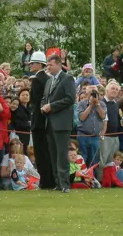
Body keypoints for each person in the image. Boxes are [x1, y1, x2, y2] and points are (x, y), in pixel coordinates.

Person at [40, 55, 76, 193]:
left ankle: (65, 184)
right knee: (53, 154)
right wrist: (43, 106)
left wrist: (52, 106)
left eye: (50, 65)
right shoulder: (49, 81)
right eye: (47, 65)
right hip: (49, 122)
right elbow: (45, 98)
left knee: (62, 154)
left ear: (59, 65)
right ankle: (58, 183)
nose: (48, 67)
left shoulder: (67, 79)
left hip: (62, 123)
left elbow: (70, 98)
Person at [28, 50, 55, 189]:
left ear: (40, 64)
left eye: (33, 63)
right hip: (45, 120)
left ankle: (46, 181)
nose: (31, 65)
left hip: (39, 121)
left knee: (41, 152)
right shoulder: (47, 78)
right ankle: (49, 180)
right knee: (46, 152)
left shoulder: (38, 79)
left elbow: (35, 101)